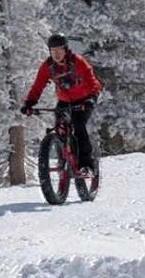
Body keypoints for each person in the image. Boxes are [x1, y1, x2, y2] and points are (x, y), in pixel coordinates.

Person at [21, 34, 102, 174]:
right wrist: (29, 103)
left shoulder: (78, 62)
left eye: (59, 50)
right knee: (60, 129)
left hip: (84, 100)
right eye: (53, 51)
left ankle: (86, 163)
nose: (56, 54)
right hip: (64, 101)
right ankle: (64, 158)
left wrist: (92, 98)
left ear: (65, 49)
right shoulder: (48, 66)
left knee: (78, 124)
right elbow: (38, 86)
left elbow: (91, 80)